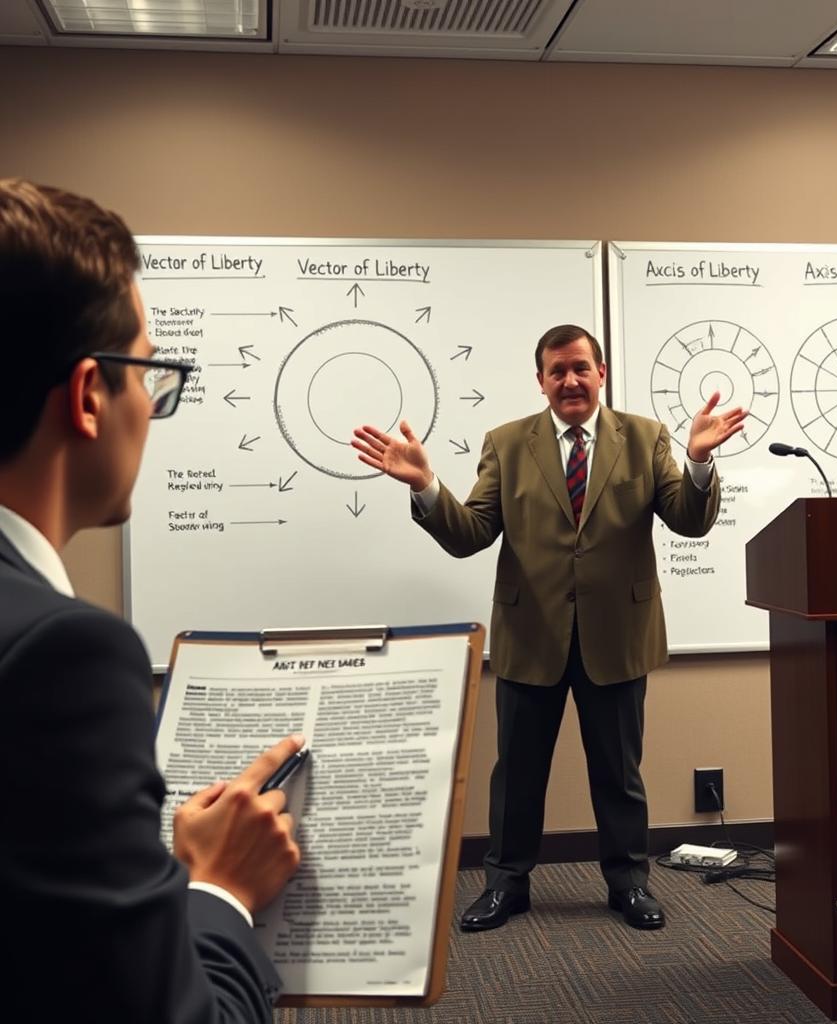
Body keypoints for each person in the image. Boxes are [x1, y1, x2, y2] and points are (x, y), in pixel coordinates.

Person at [0, 179, 303, 1022]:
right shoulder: (63, 656)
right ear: (89, 394)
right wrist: (219, 890)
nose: (152, 406)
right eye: (151, 373)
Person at [353, 323, 746, 932]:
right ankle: (505, 886)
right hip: (530, 634)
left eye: (580, 368)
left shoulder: (645, 438)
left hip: (616, 635)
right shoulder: (508, 444)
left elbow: (688, 521)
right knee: (517, 775)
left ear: (601, 373)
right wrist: (427, 487)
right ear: (541, 381)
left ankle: (628, 884)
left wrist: (697, 460)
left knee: (619, 773)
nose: (570, 380)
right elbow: (472, 534)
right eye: (557, 370)